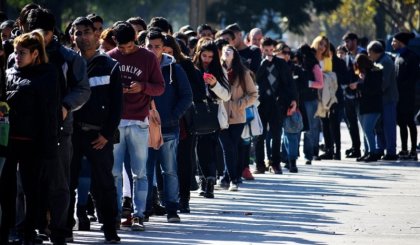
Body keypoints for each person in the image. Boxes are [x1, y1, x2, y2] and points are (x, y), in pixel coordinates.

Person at [25, 8, 91, 244]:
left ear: (52, 32)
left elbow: (83, 90)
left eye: (41, 33)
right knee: (28, 183)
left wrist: (66, 105)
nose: (37, 38)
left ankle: (60, 229)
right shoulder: (20, 54)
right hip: (26, 130)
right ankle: (30, 227)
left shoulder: (69, 58)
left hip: (59, 129)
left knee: (59, 183)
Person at [0, 30, 60, 245]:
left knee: (31, 190)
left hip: (33, 142)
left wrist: (49, 145)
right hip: (8, 141)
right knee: (5, 189)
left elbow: (49, 113)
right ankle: (7, 230)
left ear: (35, 53)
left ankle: (29, 231)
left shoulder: (47, 74)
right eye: (15, 52)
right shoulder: (8, 73)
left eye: (22, 52)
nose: (17, 56)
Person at [66, 17, 122, 243]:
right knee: (66, 182)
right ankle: (65, 228)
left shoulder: (110, 66)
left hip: (98, 135)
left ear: (96, 34)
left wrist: (106, 135)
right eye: (77, 32)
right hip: (70, 134)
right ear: (72, 37)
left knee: (104, 184)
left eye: (86, 32)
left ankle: (110, 228)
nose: (82, 36)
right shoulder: (67, 63)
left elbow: (117, 106)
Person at [108, 21, 165, 231]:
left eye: (130, 46)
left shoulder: (148, 57)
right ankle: (114, 215)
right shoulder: (110, 57)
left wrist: (143, 87)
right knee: (114, 172)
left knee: (140, 172)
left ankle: (139, 214)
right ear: (115, 42)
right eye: (121, 47)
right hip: (115, 122)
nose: (125, 50)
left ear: (136, 39)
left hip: (140, 121)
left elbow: (160, 87)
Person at [144, 30, 192, 222]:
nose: (153, 50)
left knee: (169, 170)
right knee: (145, 171)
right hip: (144, 127)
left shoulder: (174, 69)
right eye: (149, 46)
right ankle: (144, 209)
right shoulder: (141, 66)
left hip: (169, 128)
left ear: (164, 48)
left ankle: (172, 208)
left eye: (157, 46)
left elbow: (187, 96)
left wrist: (173, 116)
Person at [162, 34, 206, 213]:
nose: (165, 56)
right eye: (161, 51)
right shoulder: (152, 64)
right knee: (163, 163)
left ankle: (184, 198)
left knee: (183, 160)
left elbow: (198, 92)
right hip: (159, 120)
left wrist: (179, 102)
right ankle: (165, 197)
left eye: (169, 52)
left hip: (183, 121)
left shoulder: (185, 65)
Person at [192, 38, 231, 197]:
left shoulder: (219, 70)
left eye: (210, 57)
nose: (207, 60)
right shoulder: (193, 68)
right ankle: (205, 179)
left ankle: (210, 181)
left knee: (211, 146)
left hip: (213, 112)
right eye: (204, 56)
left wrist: (215, 84)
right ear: (199, 54)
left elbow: (227, 95)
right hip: (196, 112)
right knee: (200, 147)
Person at [255, 37, 297, 174]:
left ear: (274, 50)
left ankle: (275, 163)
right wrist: (263, 64)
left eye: (271, 50)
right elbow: (255, 78)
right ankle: (260, 164)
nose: (268, 53)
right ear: (261, 49)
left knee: (277, 133)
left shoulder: (281, 63)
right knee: (259, 134)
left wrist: (294, 99)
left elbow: (289, 83)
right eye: (266, 50)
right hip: (261, 103)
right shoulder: (258, 62)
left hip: (277, 103)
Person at [219, 44, 258, 190]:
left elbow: (253, 94)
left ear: (234, 55)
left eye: (229, 50)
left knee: (232, 146)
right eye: (224, 50)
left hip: (238, 116)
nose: (226, 52)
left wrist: (241, 103)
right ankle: (231, 178)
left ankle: (229, 178)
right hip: (221, 116)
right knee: (227, 147)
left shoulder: (243, 72)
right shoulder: (217, 70)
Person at [367, 40, 399, 160]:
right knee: (378, 125)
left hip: (388, 99)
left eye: (369, 52)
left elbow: (383, 83)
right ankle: (380, 148)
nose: (368, 55)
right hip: (381, 99)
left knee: (389, 125)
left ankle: (391, 151)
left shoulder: (385, 62)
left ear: (375, 52)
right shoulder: (379, 61)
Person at [349, 54, 383, 162]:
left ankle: (373, 152)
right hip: (363, 105)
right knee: (365, 130)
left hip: (373, 106)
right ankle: (367, 151)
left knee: (368, 129)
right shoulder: (364, 74)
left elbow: (372, 89)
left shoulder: (374, 72)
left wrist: (358, 85)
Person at [391, 32, 419, 160]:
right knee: (401, 122)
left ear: (401, 42)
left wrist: (401, 88)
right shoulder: (398, 56)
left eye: (394, 41)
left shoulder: (411, 56)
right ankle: (403, 149)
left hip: (408, 96)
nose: (392, 44)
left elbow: (413, 77)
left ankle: (413, 150)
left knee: (409, 122)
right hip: (398, 96)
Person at [296, 44, 323, 165]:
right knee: (296, 126)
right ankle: (294, 154)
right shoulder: (297, 65)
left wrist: (307, 83)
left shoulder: (314, 65)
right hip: (298, 99)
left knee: (309, 128)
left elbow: (320, 83)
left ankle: (308, 154)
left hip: (310, 100)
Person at [342, 32, 365, 158]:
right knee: (351, 123)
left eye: (348, 41)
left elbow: (366, 74)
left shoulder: (363, 54)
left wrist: (358, 83)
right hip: (348, 93)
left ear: (355, 41)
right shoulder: (347, 56)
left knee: (363, 122)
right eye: (345, 42)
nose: (346, 44)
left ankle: (369, 149)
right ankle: (356, 148)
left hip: (361, 93)